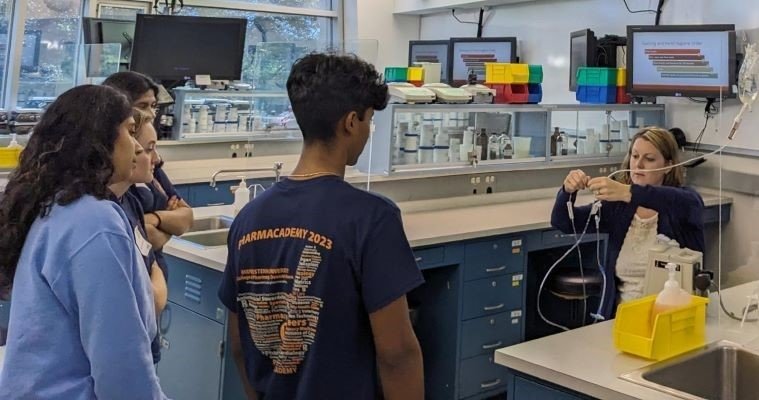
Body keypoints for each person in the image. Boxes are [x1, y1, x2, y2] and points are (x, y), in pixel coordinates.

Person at [218, 53, 425, 400]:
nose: (367, 132)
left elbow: (240, 344)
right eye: (369, 120)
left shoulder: (249, 219)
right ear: (350, 123)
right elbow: (397, 353)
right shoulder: (372, 218)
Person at [0, 85, 167, 399]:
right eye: (131, 132)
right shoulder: (96, 222)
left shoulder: (58, 206)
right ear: (99, 141)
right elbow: (121, 366)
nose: (136, 146)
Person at [551, 127, 705, 319]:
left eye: (649, 159)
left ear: (667, 165)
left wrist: (628, 192)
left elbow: (686, 202)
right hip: (623, 319)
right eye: (634, 156)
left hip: (673, 319)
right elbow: (563, 222)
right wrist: (567, 191)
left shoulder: (683, 204)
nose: (638, 165)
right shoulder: (617, 207)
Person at [105, 71, 194, 278]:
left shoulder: (151, 169)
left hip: (152, 270)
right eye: (143, 106)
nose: (153, 114)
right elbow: (144, 237)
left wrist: (154, 218)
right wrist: (166, 222)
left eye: (154, 106)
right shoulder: (109, 195)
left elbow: (186, 217)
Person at [109, 109, 169, 364]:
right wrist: (155, 274)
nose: (155, 159)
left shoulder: (131, 201)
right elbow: (149, 301)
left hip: (144, 341)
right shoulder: (103, 219)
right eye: (148, 149)